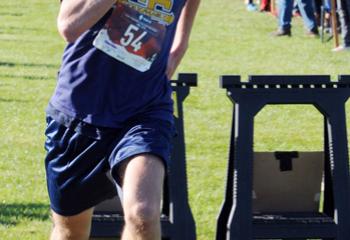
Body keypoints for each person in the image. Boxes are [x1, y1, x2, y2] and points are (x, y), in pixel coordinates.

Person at [44, 0, 200, 239]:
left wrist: (173, 55)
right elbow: (69, 26)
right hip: (79, 110)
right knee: (70, 231)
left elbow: (183, 32)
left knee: (143, 214)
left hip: (145, 111)